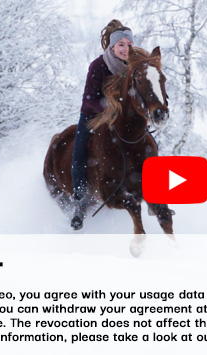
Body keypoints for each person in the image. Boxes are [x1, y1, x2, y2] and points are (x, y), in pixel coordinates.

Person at [71, 19, 134, 229]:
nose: (126, 49)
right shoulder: (98, 66)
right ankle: (79, 201)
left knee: (148, 143)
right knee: (79, 151)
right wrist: (111, 107)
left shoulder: (135, 65)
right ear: (112, 46)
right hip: (94, 115)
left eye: (129, 45)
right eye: (121, 45)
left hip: (125, 118)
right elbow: (88, 99)